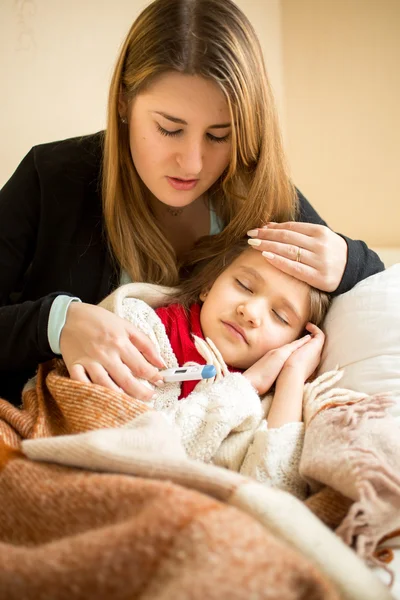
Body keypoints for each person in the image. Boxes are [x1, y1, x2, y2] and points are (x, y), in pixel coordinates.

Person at [0, 0, 383, 406]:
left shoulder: (258, 193)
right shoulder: (53, 176)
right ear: (124, 104)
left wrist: (348, 260)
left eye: (219, 136)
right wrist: (54, 323)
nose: (193, 164)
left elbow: (374, 286)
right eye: (169, 129)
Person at [99, 240, 330, 498]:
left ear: (295, 342)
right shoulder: (139, 327)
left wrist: (292, 375)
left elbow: (274, 496)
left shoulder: (269, 403)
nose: (250, 312)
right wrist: (249, 384)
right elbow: (132, 452)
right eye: (244, 286)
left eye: (280, 316)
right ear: (209, 286)